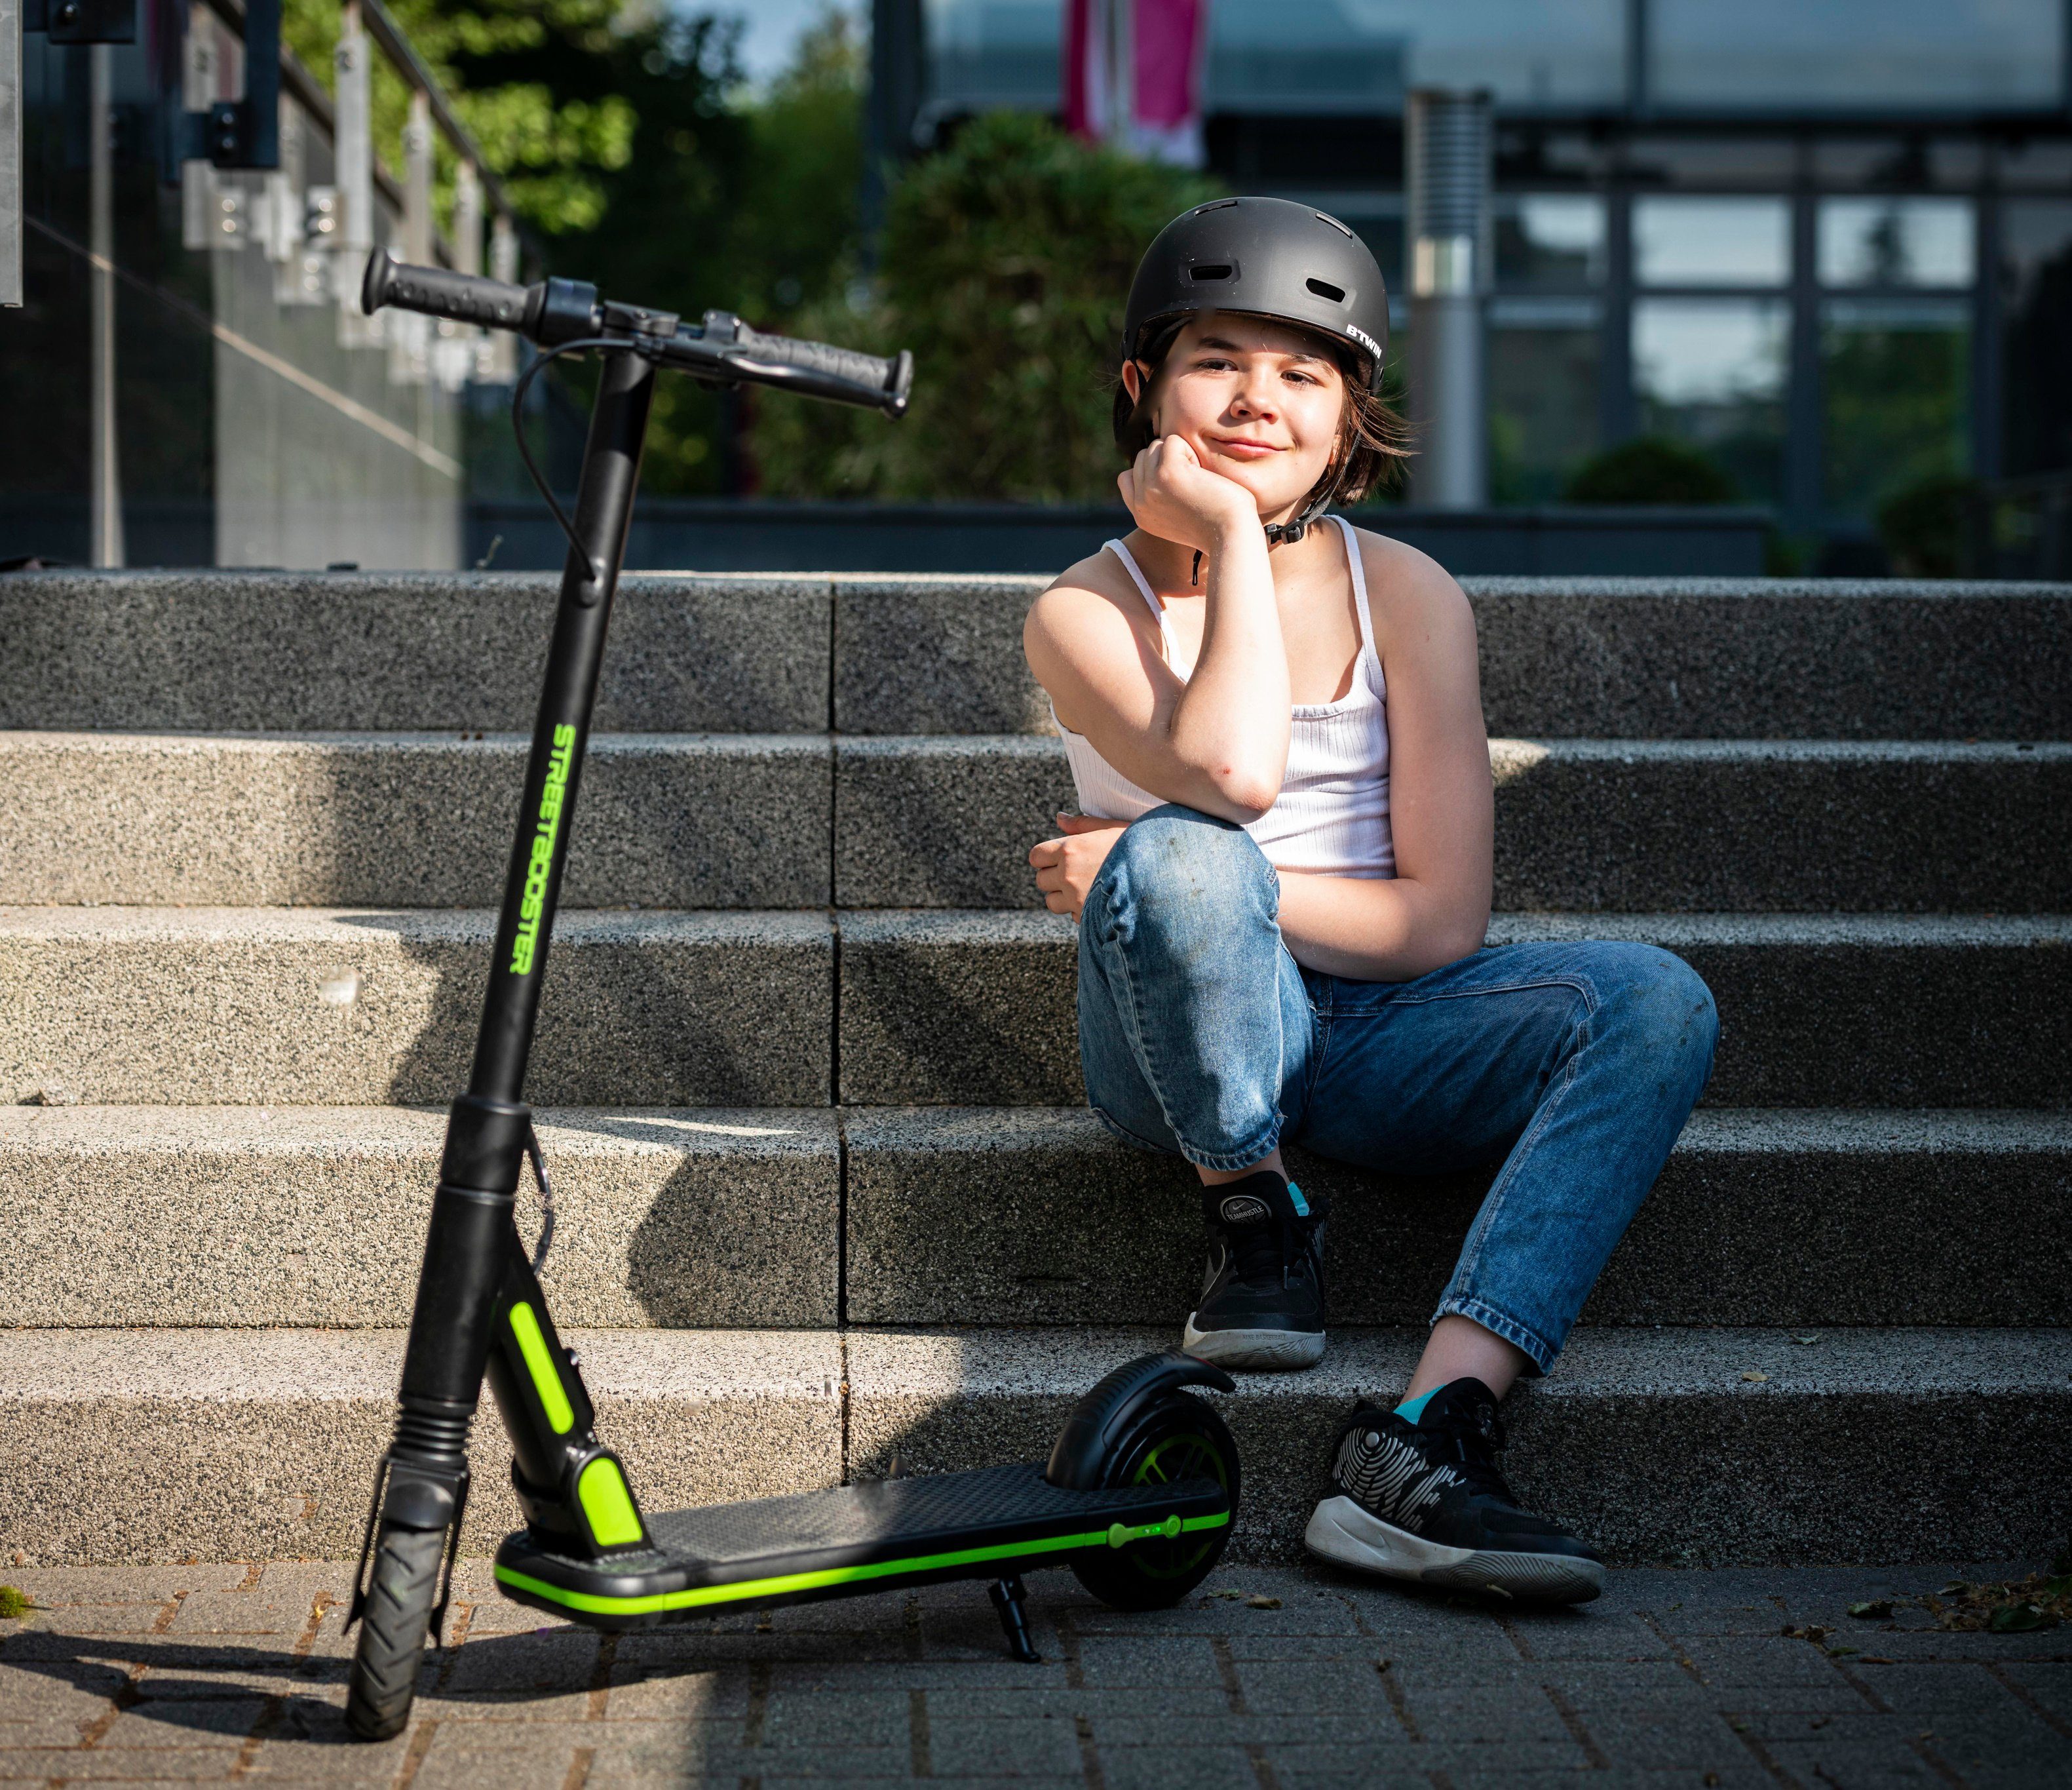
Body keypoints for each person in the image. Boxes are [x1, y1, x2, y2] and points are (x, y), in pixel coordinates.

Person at [1022, 197, 1718, 1603]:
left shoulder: (1408, 591)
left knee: (1654, 998)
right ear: (1142, 388)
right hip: (1178, 1043)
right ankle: (1255, 1217)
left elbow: (1441, 924)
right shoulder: (1080, 611)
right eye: (1217, 358)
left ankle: (1425, 1435)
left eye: (1305, 373)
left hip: (1387, 1030)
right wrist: (1221, 529)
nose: (1257, 400)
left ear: (1351, 423)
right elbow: (1232, 767)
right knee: (1187, 856)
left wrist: (1160, 860)